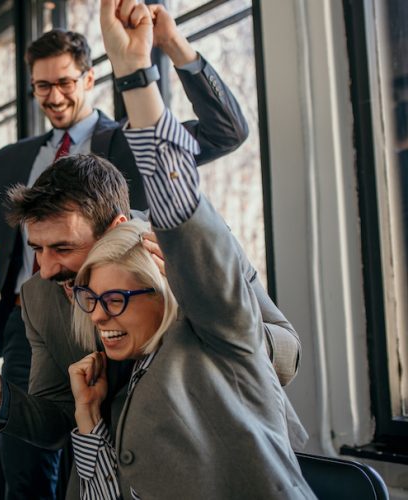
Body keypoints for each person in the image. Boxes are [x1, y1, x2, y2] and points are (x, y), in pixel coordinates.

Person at [0, 3, 305, 498]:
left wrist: (208, 316)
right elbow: (53, 422)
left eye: (63, 248)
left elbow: (284, 355)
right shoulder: (40, 297)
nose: (44, 268)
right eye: (38, 249)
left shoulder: (192, 266)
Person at [64, 3, 315, 497]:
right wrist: (90, 424)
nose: (97, 316)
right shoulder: (119, 370)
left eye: (113, 300)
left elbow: (184, 213)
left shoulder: (212, 327)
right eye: (91, 299)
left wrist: (136, 73)